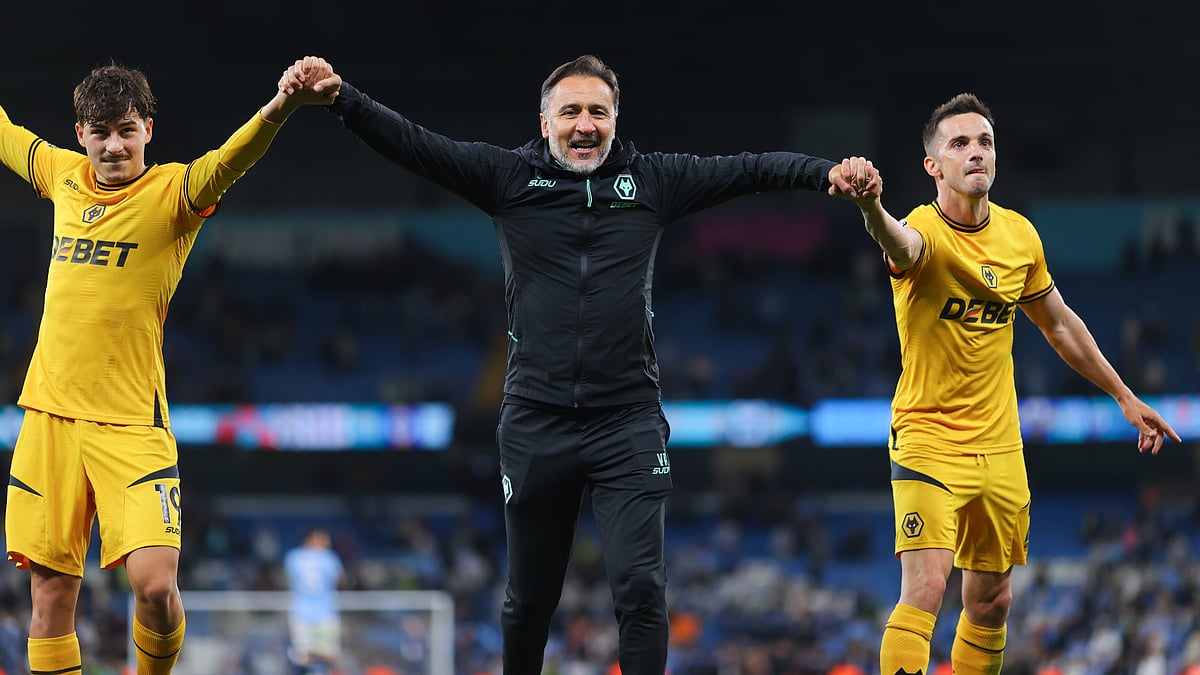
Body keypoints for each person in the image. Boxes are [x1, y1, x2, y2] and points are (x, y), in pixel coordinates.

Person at [279, 55, 874, 674]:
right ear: (544, 122)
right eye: (571, 112)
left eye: (598, 111)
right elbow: (414, 146)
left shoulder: (654, 181)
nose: (584, 124)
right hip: (537, 422)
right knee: (530, 600)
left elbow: (750, 170)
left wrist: (827, 170)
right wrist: (342, 97)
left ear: (616, 120)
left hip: (628, 422)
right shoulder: (507, 178)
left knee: (642, 590)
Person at [1, 56, 338, 674]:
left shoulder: (173, 194)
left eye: (126, 130)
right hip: (49, 418)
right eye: (99, 133)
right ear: (81, 135)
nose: (112, 146)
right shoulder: (61, 175)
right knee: (50, 599)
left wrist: (282, 107)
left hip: (131, 423)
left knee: (155, 588)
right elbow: (6, 132)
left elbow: (230, 161)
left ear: (147, 131)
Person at [833, 93, 1180, 675]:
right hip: (929, 439)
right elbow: (898, 243)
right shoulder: (923, 229)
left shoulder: (1020, 237)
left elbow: (1060, 325)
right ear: (933, 166)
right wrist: (871, 209)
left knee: (991, 602)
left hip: (1000, 447)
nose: (976, 153)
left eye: (985, 142)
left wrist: (1124, 396)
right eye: (959, 144)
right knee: (925, 589)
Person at [283, 528, 347, 675]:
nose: (327, 542)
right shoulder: (329, 557)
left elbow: (289, 578)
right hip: (325, 612)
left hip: (300, 612)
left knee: (304, 656)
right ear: (312, 538)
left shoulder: (293, 557)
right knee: (327, 655)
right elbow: (341, 580)